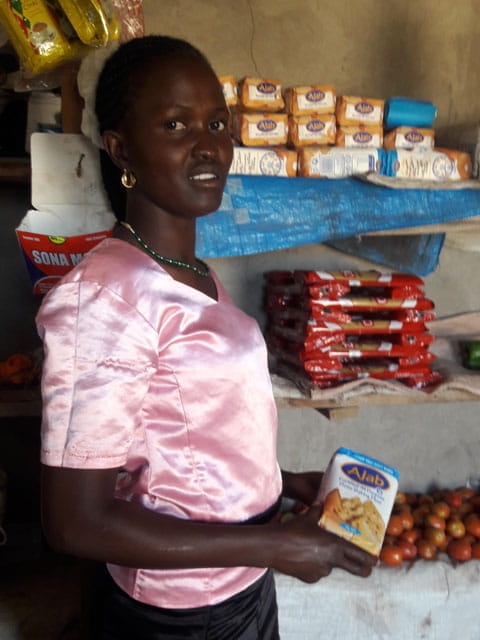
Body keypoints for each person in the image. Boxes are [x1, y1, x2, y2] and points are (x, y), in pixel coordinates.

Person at [36, 35, 376, 639]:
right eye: (175, 124)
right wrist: (272, 545)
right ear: (121, 150)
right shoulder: (107, 297)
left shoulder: (191, 273)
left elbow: (189, 434)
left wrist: (275, 489)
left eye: (217, 122)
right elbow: (76, 523)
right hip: (180, 615)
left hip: (240, 582)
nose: (209, 146)